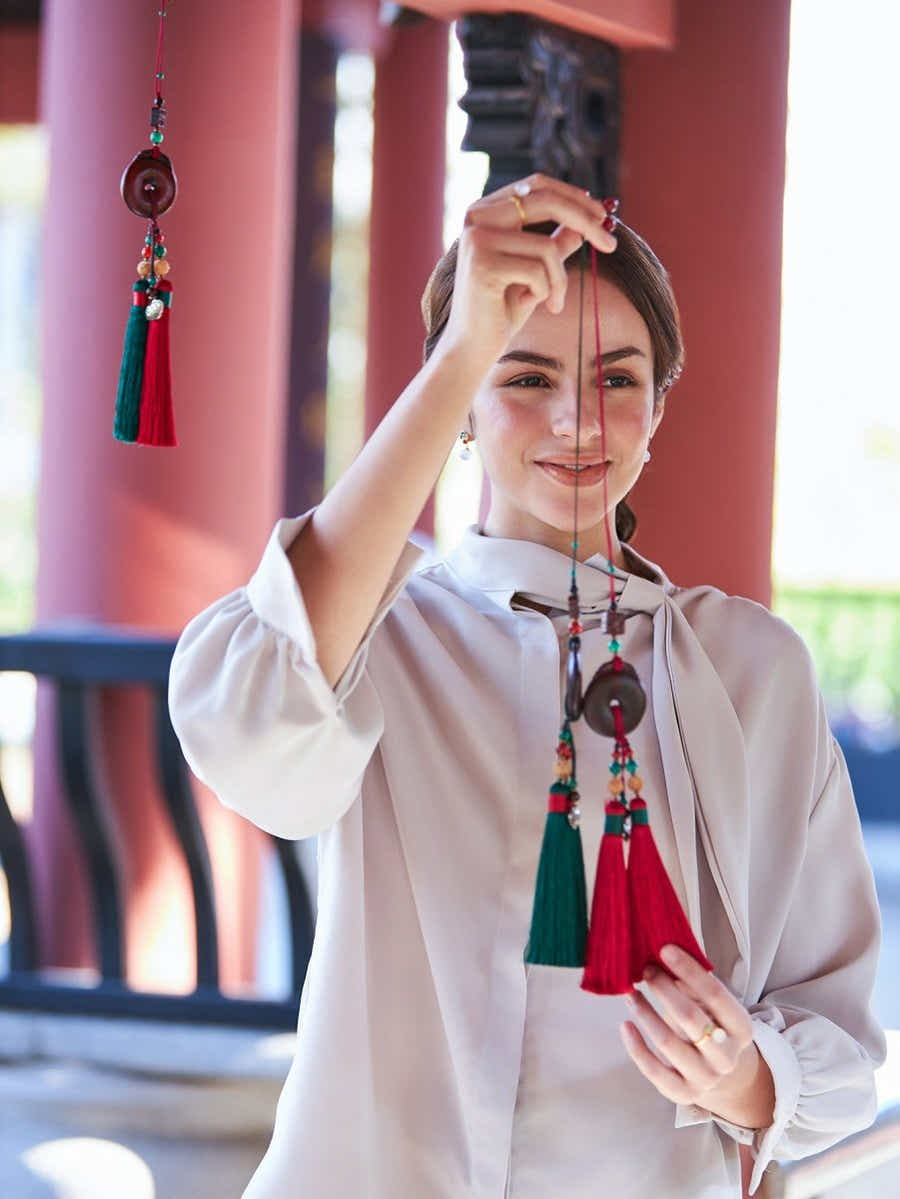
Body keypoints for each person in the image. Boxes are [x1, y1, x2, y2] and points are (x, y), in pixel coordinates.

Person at [167, 174, 887, 1198]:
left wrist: (750, 1074)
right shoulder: (380, 636)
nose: (577, 421)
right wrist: (463, 348)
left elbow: (846, 1039)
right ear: (458, 402)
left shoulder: (756, 668)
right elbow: (248, 729)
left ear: (661, 404)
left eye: (618, 379)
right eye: (524, 377)